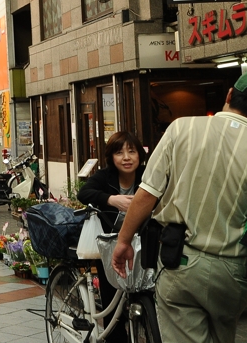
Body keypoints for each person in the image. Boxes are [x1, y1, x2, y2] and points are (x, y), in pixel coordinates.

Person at [112, 72, 247, 343]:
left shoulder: (182, 128)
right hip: (234, 271)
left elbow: (147, 194)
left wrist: (123, 241)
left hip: (183, 263)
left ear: (229, 96)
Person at [77, 132, 147, 343]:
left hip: (140, 243)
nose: (126, 157)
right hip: (111, 244)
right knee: (111, 301)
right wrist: (112, 200)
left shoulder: (148, 175)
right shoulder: (104, 177)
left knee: (146, 294)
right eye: (119, 152)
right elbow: (84, 193)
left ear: (139, 155)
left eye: (131, 151)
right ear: (111, 157)